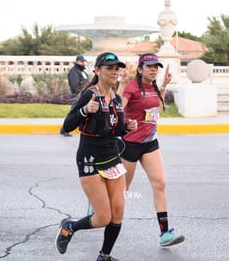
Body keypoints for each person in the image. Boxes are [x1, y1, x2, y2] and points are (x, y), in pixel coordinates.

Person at [56, 52, 137, 261]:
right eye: (109, 68)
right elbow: (66, 126)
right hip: (90, 160)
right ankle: (69, 228)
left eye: (116, 68)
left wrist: (127, 127)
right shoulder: (90, 95)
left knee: (117, 213)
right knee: (103, 217)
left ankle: (104, 256)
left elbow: (115, 128)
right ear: (97, 71)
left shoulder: (116, 98)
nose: (114, 72)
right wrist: (84, 110)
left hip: (111, 158)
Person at [116, 53, 185, 247]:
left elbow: (156, 105)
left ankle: (164, 233)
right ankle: (99, 208)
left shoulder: (153, 86)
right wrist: (121, 83)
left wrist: (164, 86)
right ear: (140, 69)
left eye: (156, 66)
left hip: (150, 143)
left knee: (160, 183)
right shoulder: (132, 87)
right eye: (149, 66)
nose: (154, 69)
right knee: (122, 190)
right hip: (130, 144)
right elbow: (119, 107)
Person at [61, 55, 89, 137]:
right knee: (73, 111)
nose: (83, 63)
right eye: (81, 61)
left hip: (83, 94)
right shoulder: (74, 71)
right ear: (77, 61)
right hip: (77, 95)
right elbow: (74, 85)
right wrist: (79, 94)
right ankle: (65, 129)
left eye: (83, 61)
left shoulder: (82, 71)